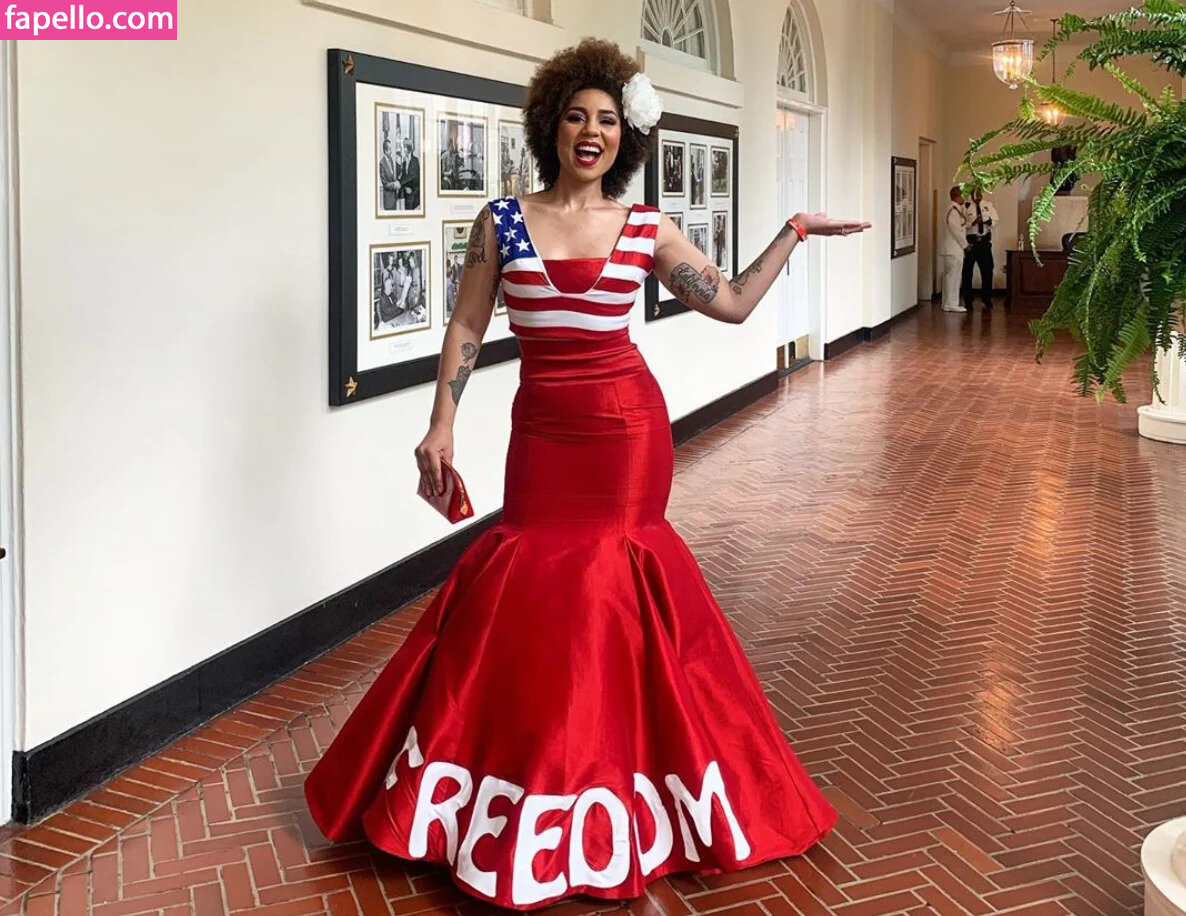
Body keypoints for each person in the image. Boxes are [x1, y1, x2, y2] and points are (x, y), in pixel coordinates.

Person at [304, 38, 869, 911]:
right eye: (576, 116)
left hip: (626, 435)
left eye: (607, 118)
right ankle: (527, 769)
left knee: (616, 583)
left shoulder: (644, 228)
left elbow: (730, 303)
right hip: (542, 431)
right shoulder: (501, 221)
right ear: (552, 127)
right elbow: (466, 325)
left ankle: (623, 774)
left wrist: (792, 233)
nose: (591, 131)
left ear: (624, 136)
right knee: (527, 580)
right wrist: (441, 422)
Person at [962, 188, 998, 312]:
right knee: (967, 272)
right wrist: (973, 223)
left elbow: (996, 220)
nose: (978, 197)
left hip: (984, 242)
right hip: (971, 243)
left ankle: (986, 299)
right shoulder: (966, 207)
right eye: (976, 195)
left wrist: (987, 221)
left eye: (980, 194)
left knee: (987, 271)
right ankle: (968, 300)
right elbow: (961, 225)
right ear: (971, 196)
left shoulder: (988, 205)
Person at [940, 185, 969, 313]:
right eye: (963, 195)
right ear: (958, 196)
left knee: (952, 276)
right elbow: (956, 230)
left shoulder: (956, 209)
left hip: (954, 249)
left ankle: (948, 302)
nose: (965, 197)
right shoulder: (953, 210)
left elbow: (961, 225)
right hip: (953, 248)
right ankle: (951, 303)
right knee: (953, 277)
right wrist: (965, 245)